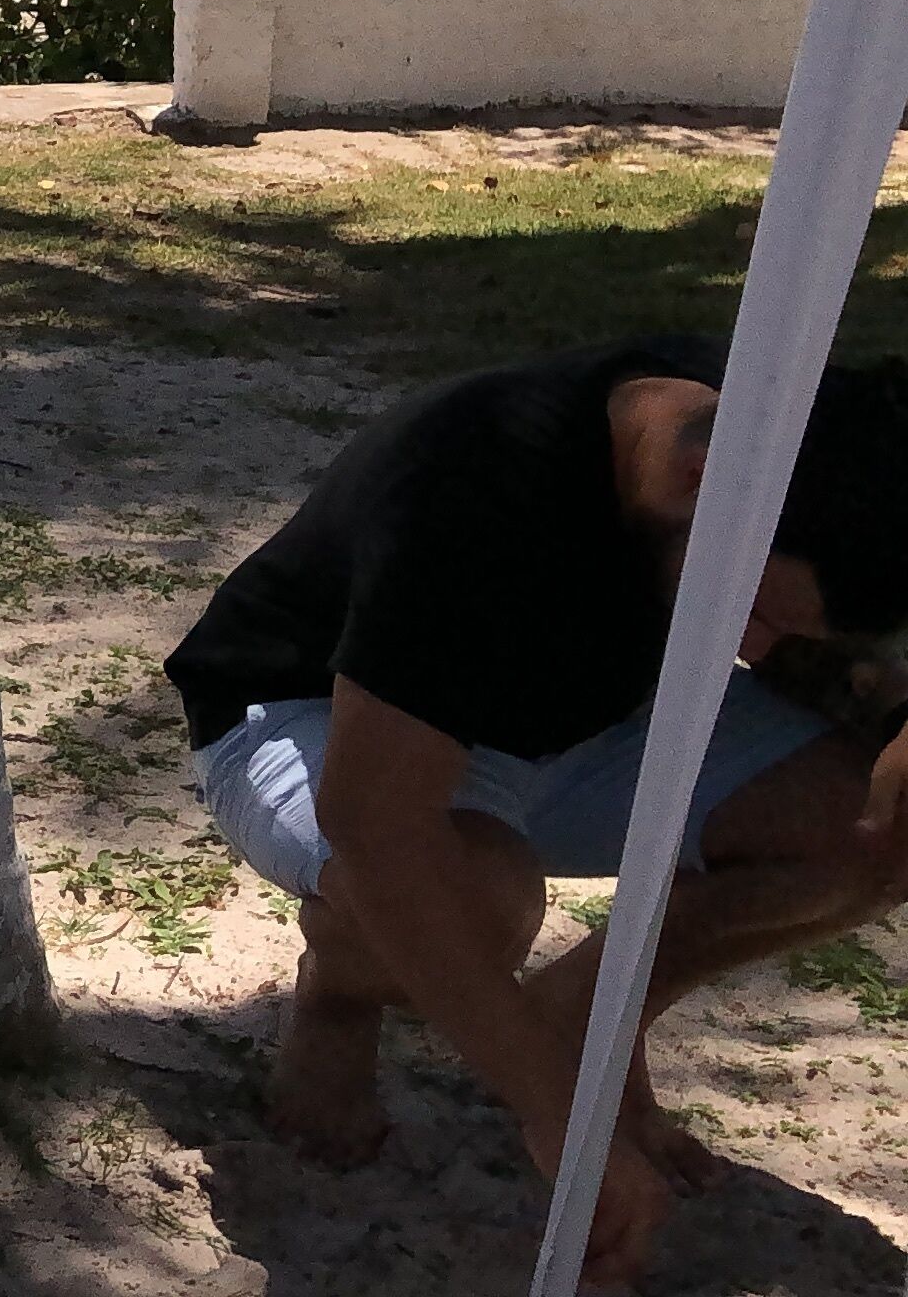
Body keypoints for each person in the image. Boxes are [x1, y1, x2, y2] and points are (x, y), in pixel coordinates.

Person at [166, 335, 908, 1287]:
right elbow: (377, 824)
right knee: (477, 900)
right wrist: (559, 1115)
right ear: (698, 478)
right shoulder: (478, 487)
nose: (754, 647)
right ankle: (342, 993)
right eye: (751, 609)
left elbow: (821, 632)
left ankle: (589, 1016)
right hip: (322, 710)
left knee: (887, 826)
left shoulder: (805, 422)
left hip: (591, 721)